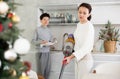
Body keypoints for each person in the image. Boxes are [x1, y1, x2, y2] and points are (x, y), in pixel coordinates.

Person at [63, 3, 94, 79]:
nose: (81, 15)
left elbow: (86, 47)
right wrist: (71, 39)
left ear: (89, 14)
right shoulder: (79, 24)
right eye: (80, 12)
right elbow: (78, 42)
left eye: (84, 13)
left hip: (85, 60)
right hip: (78, 59)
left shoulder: (89, 26)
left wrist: (70, 57)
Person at [32, 13, 54, 79]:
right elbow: (33, 41)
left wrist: (52, 44)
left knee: (47, 71)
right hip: (40, 53)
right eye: (44, 19)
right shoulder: (37, 29)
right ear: (41, 20)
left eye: (48, 20)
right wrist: (41, 42)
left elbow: (50, 41)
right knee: (41, 72)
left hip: (48, 53)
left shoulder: (49, 30)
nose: (46, 21)